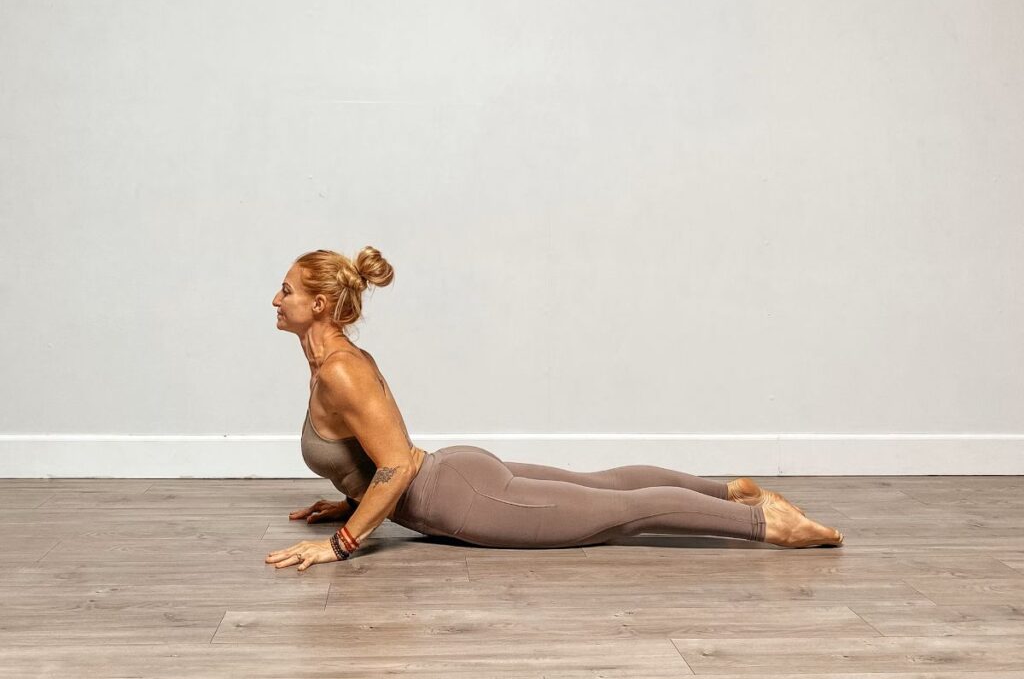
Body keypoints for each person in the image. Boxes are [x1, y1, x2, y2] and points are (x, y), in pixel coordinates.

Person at [265, 248, 844, 572]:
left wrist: (340, 544)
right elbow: (372, 454)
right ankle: (732, 492)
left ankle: (768, 523)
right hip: (456, 475)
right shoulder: (329, 363)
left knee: (621, 513)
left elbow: (394, 466)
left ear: (319, 304)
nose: (276, 298)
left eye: (287, 290)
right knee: (607, 486)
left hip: (459, 498)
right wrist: (351, 497)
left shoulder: (341, 370)